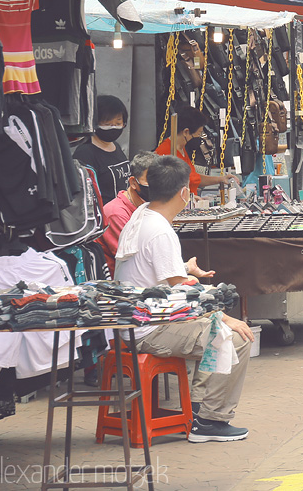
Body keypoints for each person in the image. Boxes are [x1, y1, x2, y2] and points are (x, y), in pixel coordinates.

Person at [114, 155, 254, 443]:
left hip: (139, 318)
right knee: (234, 337)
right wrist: (225, 317)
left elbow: (164, 277)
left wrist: (186, 270)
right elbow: (183, 293)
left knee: (214, 325)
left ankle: (201, 405)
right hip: (147, 328)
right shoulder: (160, 230)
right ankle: (210, 421)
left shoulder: (140, 215)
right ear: (184, 193)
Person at [155, 105, 240, 193]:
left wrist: (221, 179)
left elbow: (194, 178)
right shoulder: (165, 153)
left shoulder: (182, 149)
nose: (199, 138)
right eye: (199, 134)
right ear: (186, 132)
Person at [100, 152, 159, 261]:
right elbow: (133, 259)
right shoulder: (116, 214)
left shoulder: (144, 206)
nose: (157, 185)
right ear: (133, 182)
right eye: (150, 180)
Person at [74, 95, 132, 201]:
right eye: (107, 124)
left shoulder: (116, 146)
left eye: (118, 123)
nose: (113, 128)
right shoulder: (85, 153)